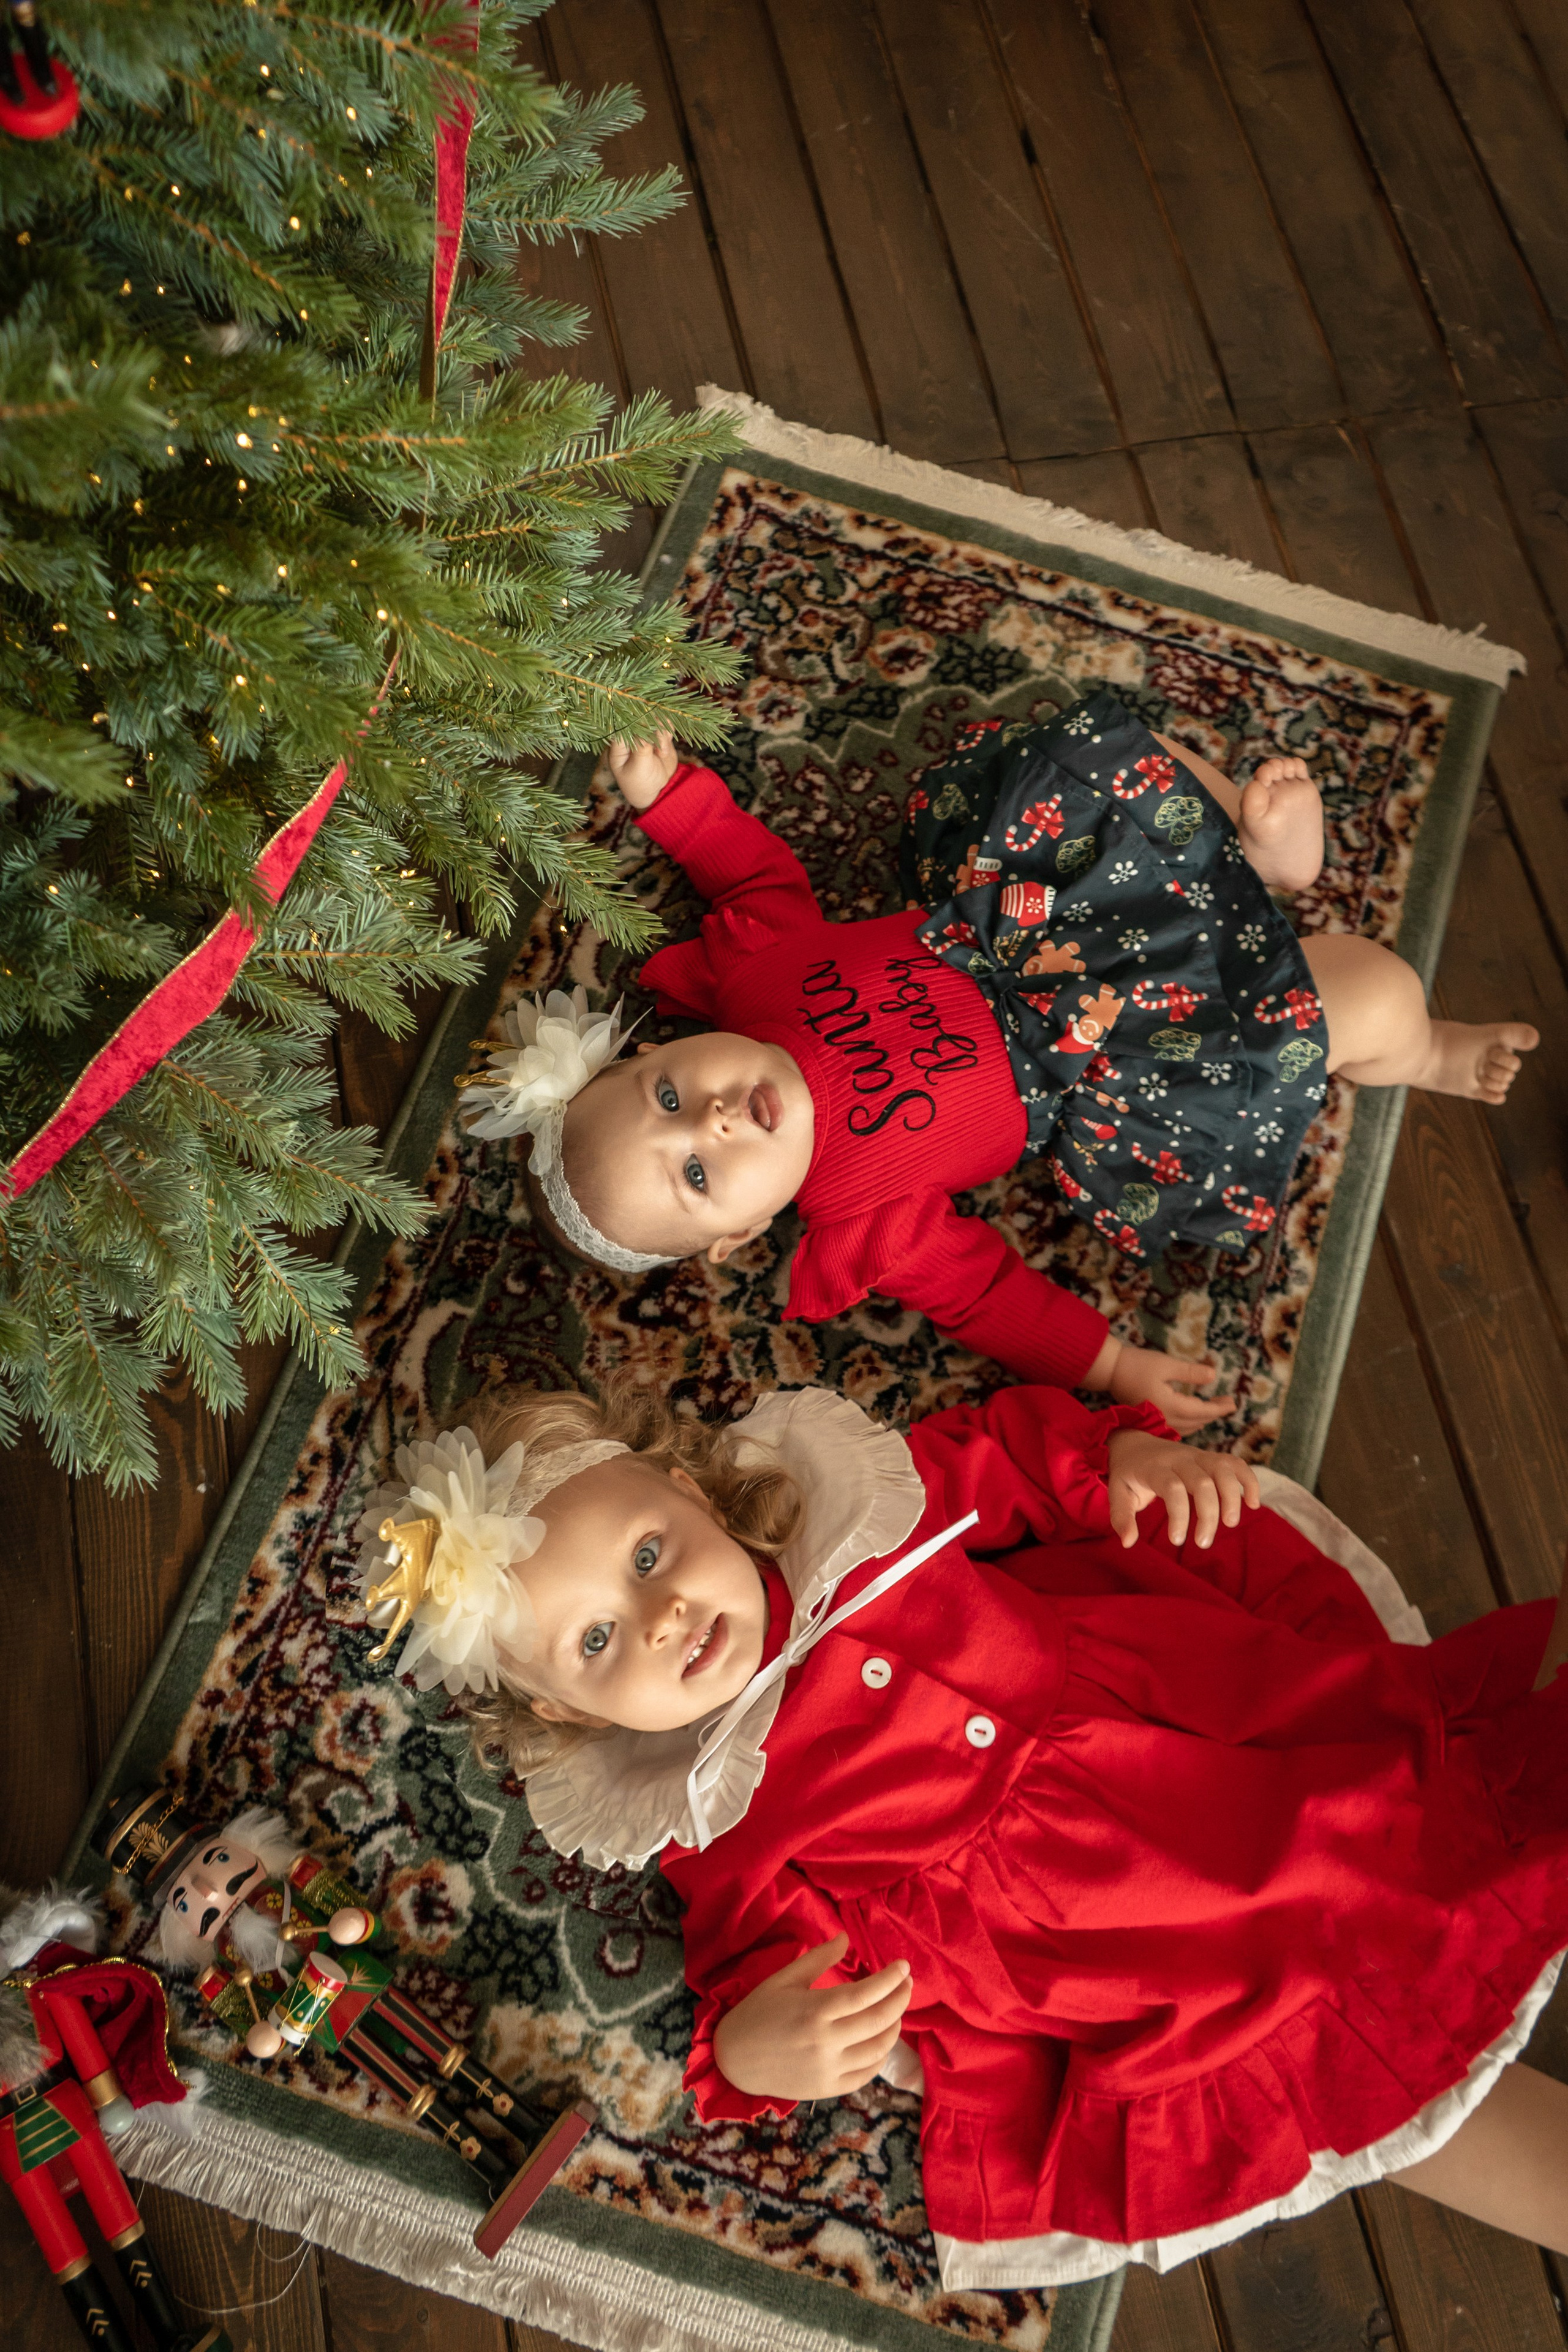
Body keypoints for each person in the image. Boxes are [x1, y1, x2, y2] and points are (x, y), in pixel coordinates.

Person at [353, 1375, 1568, 2288]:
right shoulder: (704, 1811)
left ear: (687, 1489)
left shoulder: (844, 1510)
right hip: (1080, 1919)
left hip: (1170, 1717)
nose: (663, 1614)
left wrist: (1114, 1462)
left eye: (648, 1554)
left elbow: (1002, 1464)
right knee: (1296, 2032)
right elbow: (755, 1962)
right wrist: (761, 2048)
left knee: (1395, 1817)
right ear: (572, 1713)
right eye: (598, 1641)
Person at [458, 694, 1537, 1435]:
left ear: (663, 1048)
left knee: (1106, 764)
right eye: (698, 1173)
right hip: (1113, 1047)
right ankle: (1428, 1048)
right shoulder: (864, 1220)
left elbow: (751, 878)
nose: (714, 1120)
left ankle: (1258, 860)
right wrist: (1114, 1366)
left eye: (667, 1095)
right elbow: (985, 1294)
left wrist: (672, 802)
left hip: (1036, 913)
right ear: (740, 1234)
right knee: (1368, 993)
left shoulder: (754, 974)